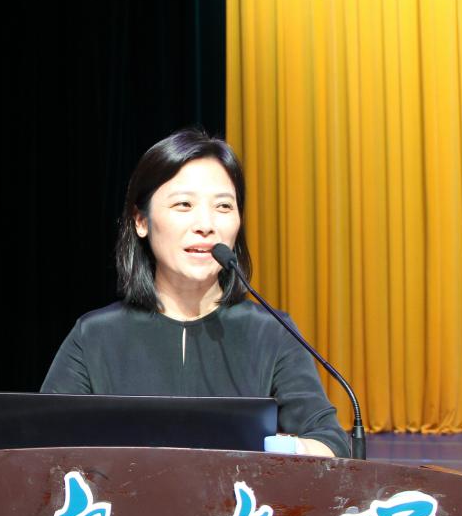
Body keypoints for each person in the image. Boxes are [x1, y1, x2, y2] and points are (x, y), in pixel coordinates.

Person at [41, 128, 351, 458]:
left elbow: (332, 443)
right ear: (141, 221)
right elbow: (39, 444)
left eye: (223, 206)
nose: (206, 224)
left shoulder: (271, 331)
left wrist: (279, 449)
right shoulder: (95, 336)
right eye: (184, 204)